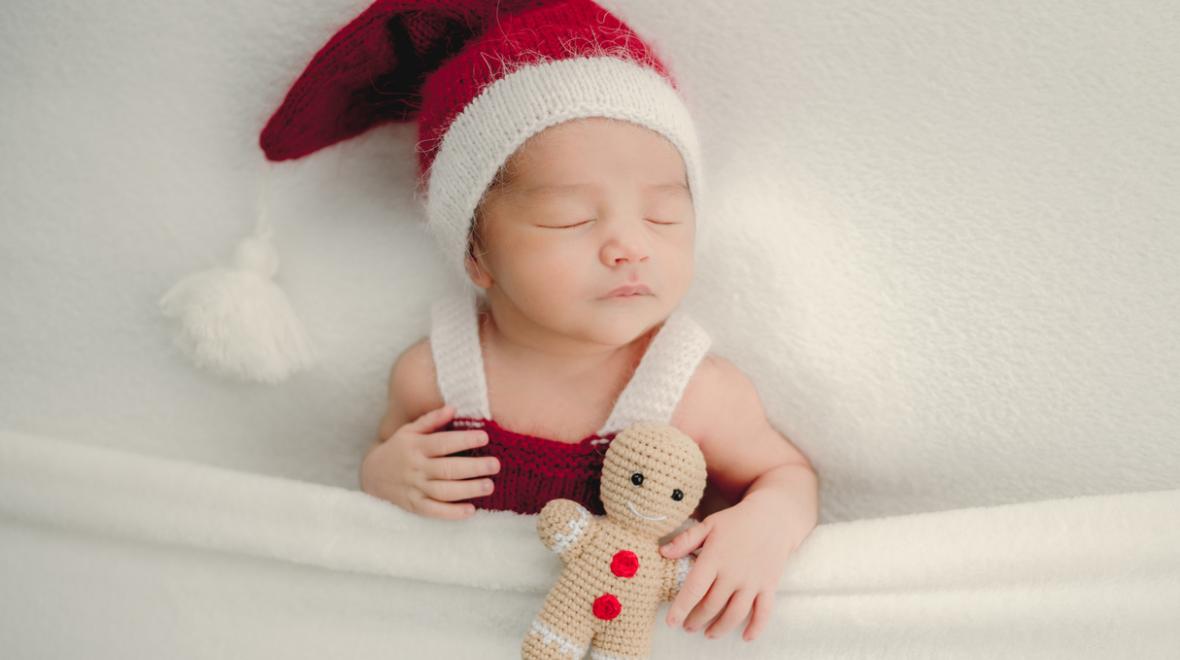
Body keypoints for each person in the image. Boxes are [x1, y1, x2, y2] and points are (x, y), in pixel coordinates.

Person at [174, 0, 820, 645]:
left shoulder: (694, 390)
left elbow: (785, 475)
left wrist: (767, 522)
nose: (630, 246)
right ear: (477, 256)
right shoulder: (437, 374)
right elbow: (383, 453)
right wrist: (387, 473)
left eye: (663, 217)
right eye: (570, 218)